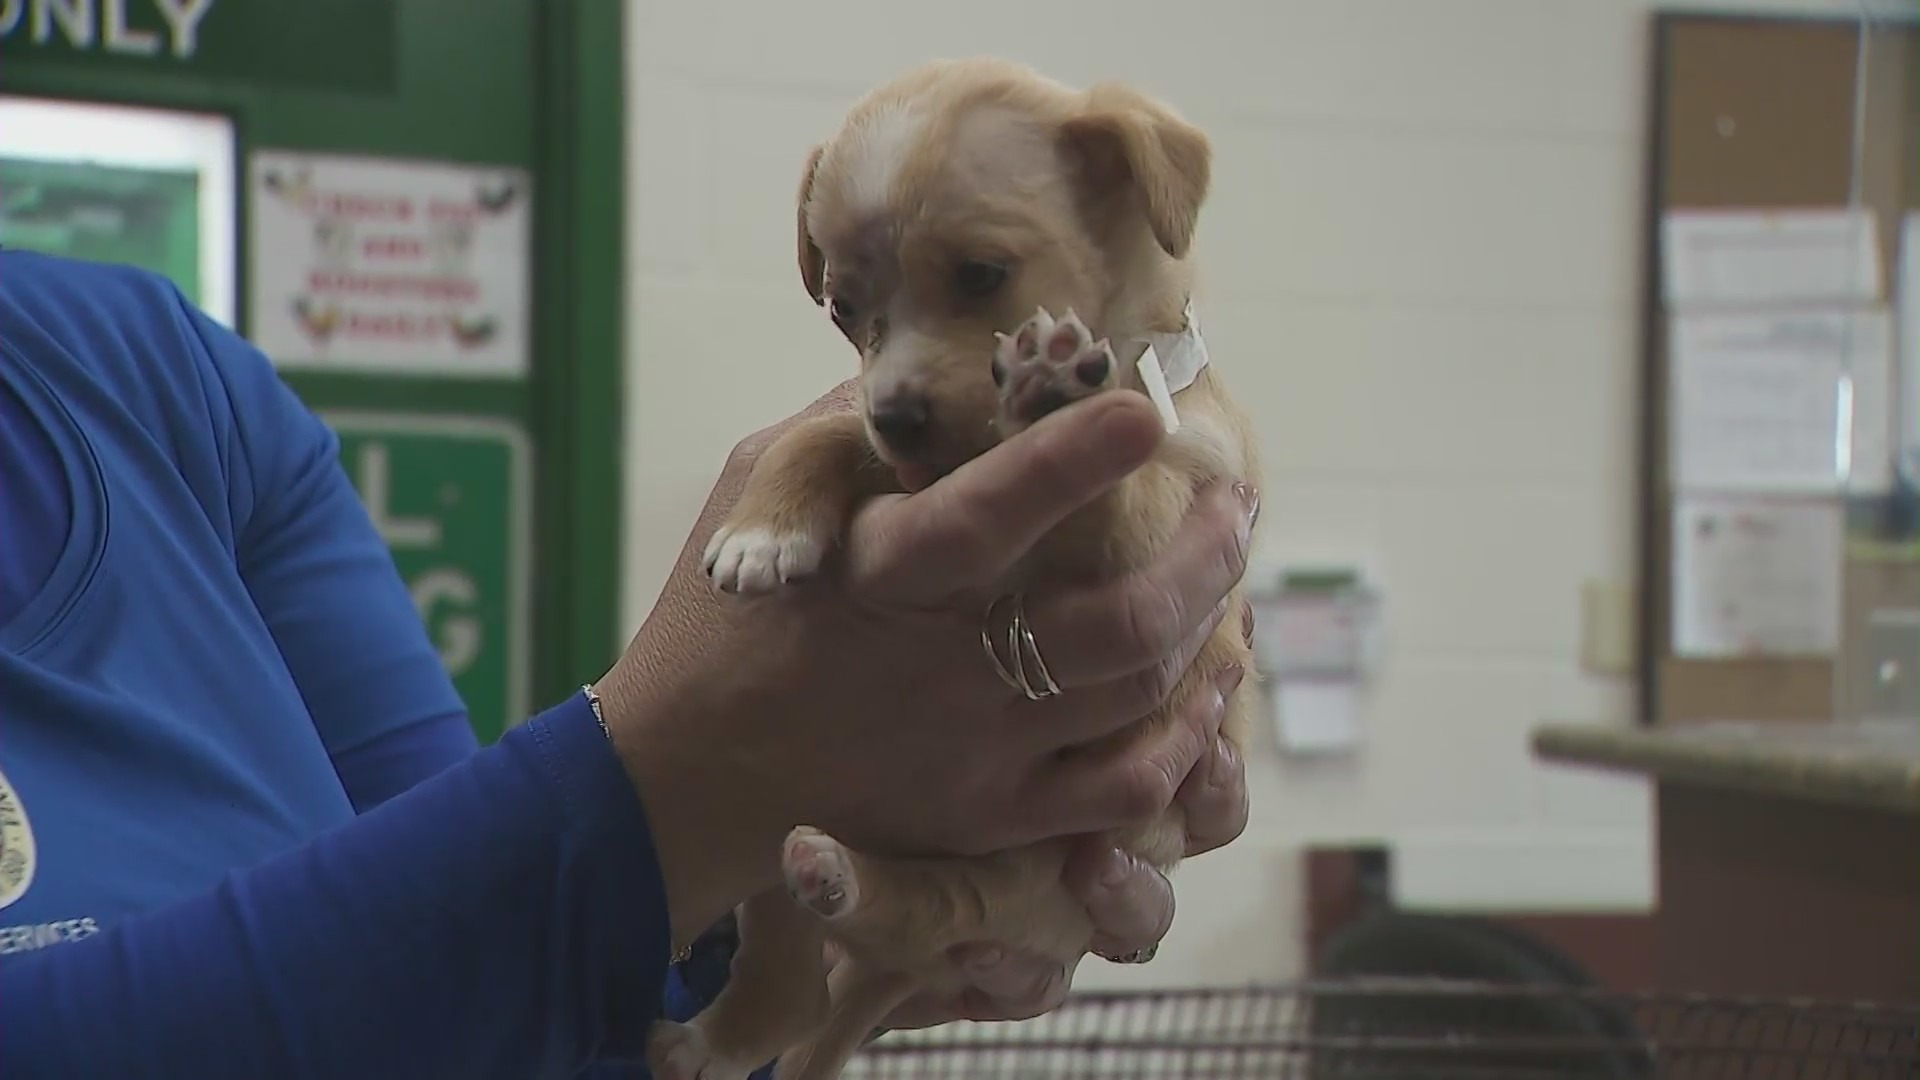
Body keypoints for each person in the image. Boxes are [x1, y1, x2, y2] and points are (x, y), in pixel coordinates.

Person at [0, 249, 1255, 1078]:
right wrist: (682, 786)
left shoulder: (148, 373)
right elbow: (515, 906)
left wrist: (771, 932)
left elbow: (472, 932)